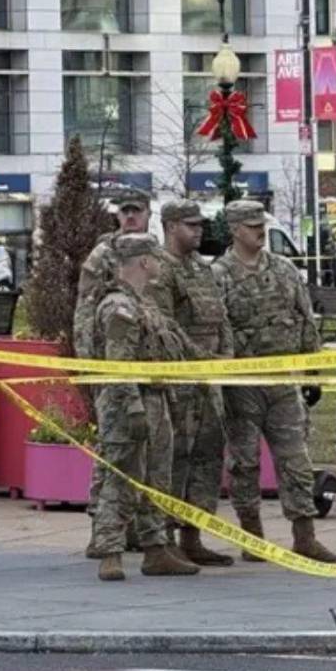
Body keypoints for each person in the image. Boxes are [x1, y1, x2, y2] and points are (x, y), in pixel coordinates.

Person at [213, 200, 336, 564]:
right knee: (244, 464)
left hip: (283, 385)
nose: (259, 231)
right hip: (242, 386)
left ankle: (305, 535)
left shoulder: (284, 270)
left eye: (261, 224)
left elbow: (304, 319)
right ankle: (252, 536)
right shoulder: (219, 275)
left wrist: (312, 369)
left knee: (296, 461)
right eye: (251, 225)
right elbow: (216, 331)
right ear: (235, 229)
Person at [91, 234, 200, 580]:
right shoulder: (118, 306)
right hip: (127, 404)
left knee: (157, 478)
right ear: (142, 261)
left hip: (157, 400)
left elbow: (176, 346)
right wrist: (134, 408)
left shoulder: (145, 304)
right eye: (154, 257)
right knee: (122, 476)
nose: (159, 262)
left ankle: (156, 550)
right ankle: (110, 551)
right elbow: (119, 362)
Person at [152, 200, 235, 567]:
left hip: (209, 382)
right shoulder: (160, 270)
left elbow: (221, 318)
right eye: (190, 225)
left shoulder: (203, 270)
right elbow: (165, 327)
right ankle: (163, 539)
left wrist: (226, 359)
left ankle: (193, 535)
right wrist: (203, 360)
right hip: (179, 382)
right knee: (174, 460)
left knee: (207, 458)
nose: (199, 230)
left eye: (200, 224)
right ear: (170, 226)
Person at [75, 187, 153, 561]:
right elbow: (86, 310)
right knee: (113, 448)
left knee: (144, 454)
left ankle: (135, 528)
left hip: (148, 367)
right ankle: (101, 529)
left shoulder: (154, 253)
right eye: (125, 212)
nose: (130, 217)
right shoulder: (104, 254)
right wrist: (93, 366)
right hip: (112, 363)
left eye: (136, 211)